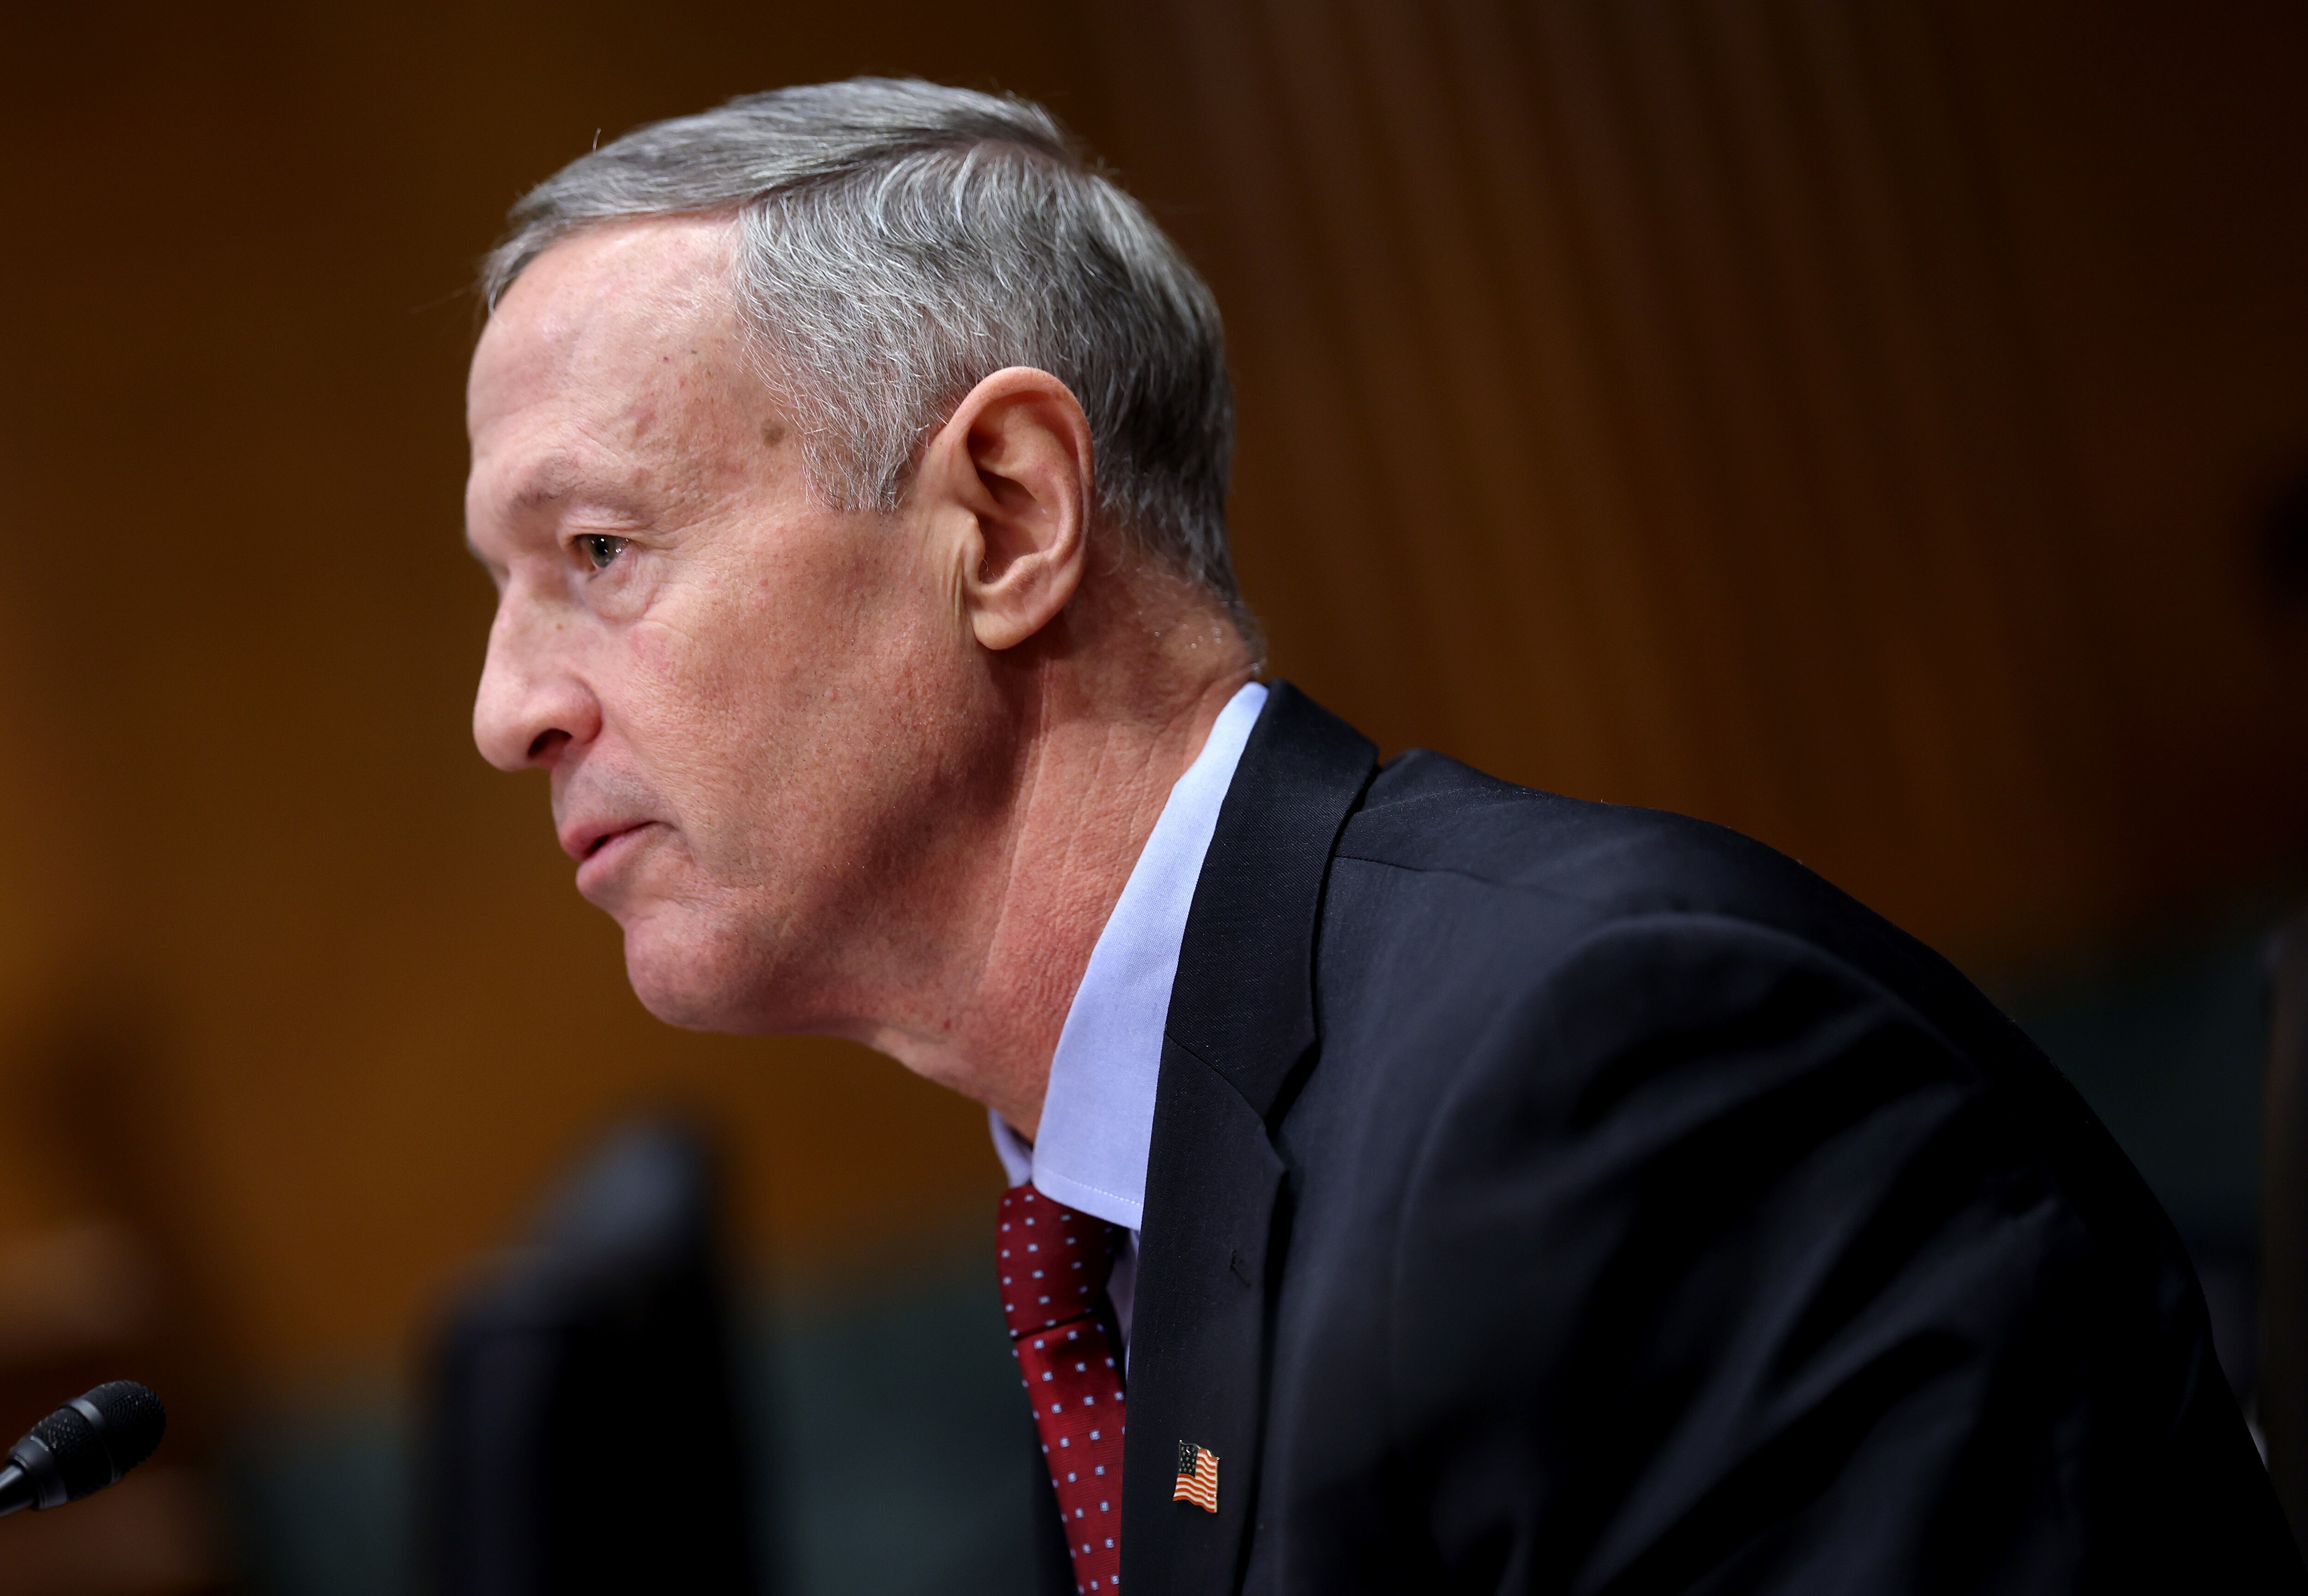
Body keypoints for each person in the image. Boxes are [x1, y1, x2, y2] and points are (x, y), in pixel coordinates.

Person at [462, 78, 2302, 1594]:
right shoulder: (1116, 1207)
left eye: (597, 555)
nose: (507, 706)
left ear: (1007, 518)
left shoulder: (1611, 1070)